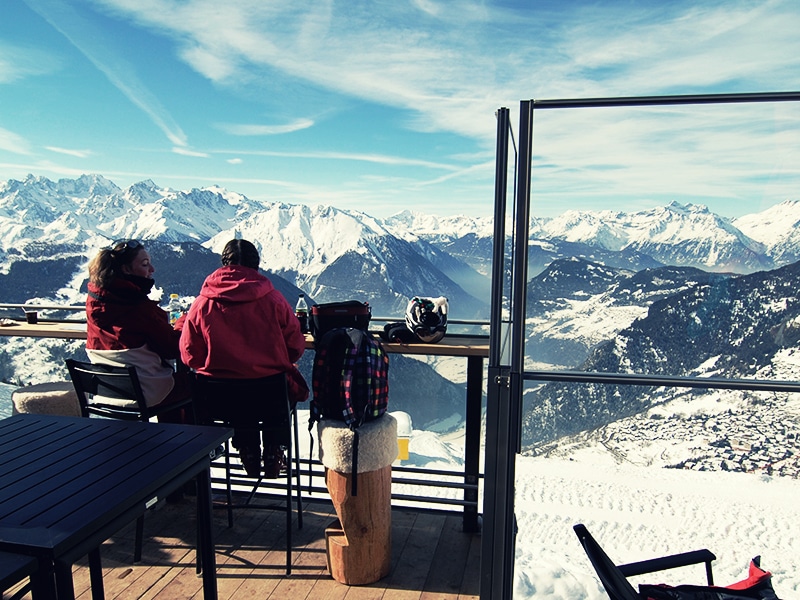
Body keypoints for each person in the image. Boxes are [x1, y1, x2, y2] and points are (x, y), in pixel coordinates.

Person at [180, 238, 308, 478]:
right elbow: (295, 347)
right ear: (256, 266)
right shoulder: (274, 300)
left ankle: (247, 449)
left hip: (219, 401)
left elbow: (190, 355)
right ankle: (275, 448)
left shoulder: (202, 304)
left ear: (223, 265)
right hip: (270, 398)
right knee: (278, 389)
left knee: (238, 398)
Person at [85, 239, 191, 421]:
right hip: (145, 393)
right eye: (145, 264)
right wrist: (184, 322)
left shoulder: (94, 303)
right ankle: (185, 444)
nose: (152, 269)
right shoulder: (138, 308)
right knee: (192, 385)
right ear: (126, 270)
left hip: (108, 393)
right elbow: (173, 348)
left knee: (172, 384)